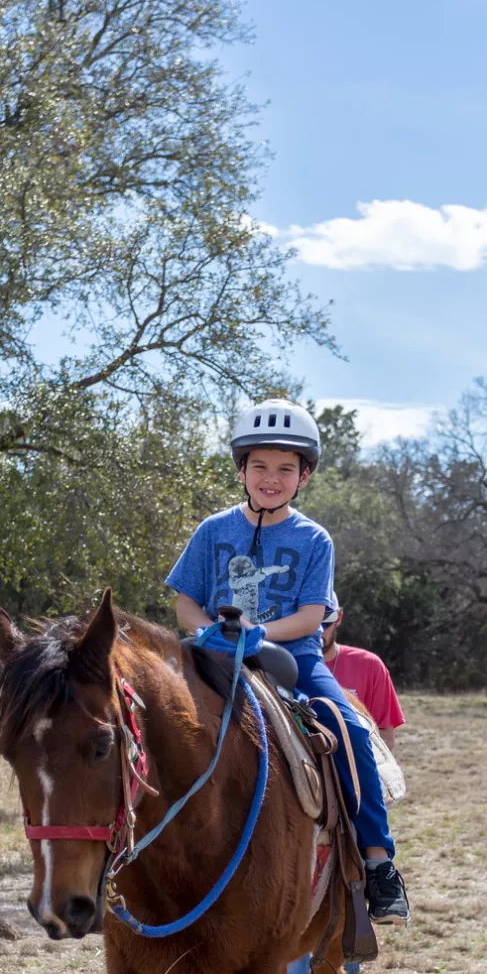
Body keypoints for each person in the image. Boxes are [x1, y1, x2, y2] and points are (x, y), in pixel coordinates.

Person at [165, 397, 409, 944]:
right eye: (260, 466)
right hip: (212, 652)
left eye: (284, 469)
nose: (270, 478)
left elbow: (311, 616)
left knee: (347, 730)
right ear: (242, 470)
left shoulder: (313, 538)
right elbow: (185, 600)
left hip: (294, 657)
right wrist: (210, 631)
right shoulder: (212, 530)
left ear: (303, 477)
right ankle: (129, 841)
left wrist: (260, 635)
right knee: (147, 712)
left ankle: (377, 862)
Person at [278, 594, 407, 974]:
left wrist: (368, 804)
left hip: (349, 795)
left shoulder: (365, 666)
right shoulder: (273, 665)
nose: (322, 630)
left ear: (334, 620)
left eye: (326, 622)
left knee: (350, 899)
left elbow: (382, 740)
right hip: (299, 795)